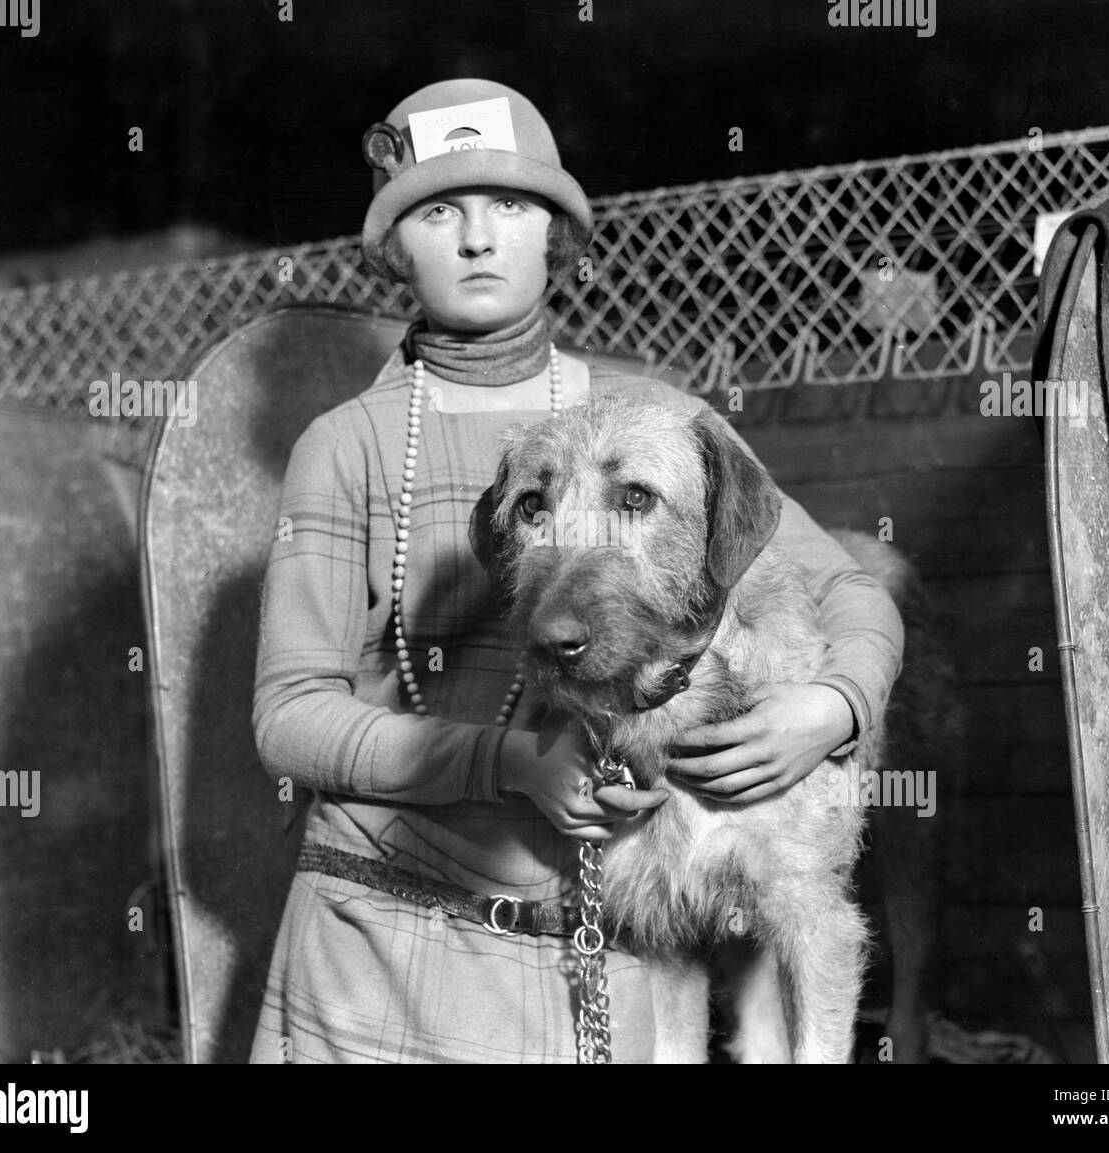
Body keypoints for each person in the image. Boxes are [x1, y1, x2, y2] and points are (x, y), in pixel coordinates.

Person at [249, 78, 904, 1064]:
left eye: (509, 206)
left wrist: (831, 706)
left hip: (596, 968)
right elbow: (286, 719)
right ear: (394, 244)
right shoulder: (344, 447)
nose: (476, 238)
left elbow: (848, 587)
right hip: (383, 950)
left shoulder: (657, 418)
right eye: (438, 209)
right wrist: (509, 762)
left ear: (554, 235)